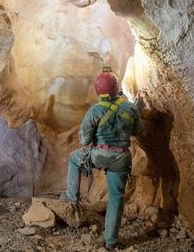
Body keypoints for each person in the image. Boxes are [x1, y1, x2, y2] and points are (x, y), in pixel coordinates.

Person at [59, 66, 142, 250]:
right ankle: (111, 241)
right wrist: (136, 112)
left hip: (99, 155)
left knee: (74, 159)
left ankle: (72, 197)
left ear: (99, 91)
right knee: (116, 197)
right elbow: (137, 132)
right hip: (121, 157)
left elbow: (84, 140)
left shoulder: (95, 111)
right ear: (116, 87)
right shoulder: (130, 108)